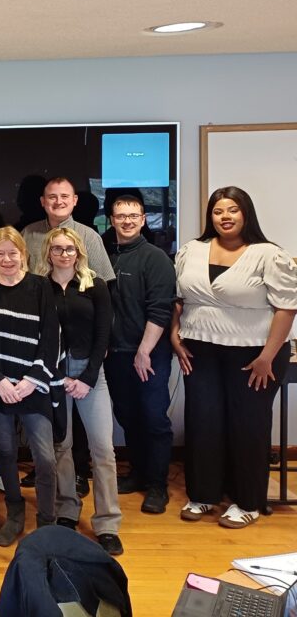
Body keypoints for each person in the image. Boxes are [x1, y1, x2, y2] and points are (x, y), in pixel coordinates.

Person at [171, 186, 297, 528]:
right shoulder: (191, 250)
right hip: (200, 348)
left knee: (248, 426)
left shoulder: (269, 254)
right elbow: (180, 299)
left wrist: (268, 356)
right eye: (218, 211)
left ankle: (248, 501)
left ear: (246, 214)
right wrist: (174, 335)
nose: (225, 217)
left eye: (232, 210)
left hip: (254, 353)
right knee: (203, 422)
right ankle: (203, 495)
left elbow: (287, 308)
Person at [0, 227, 61, 546]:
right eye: (0, 253)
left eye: (13, 253)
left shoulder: (40, 287)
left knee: (46, 458)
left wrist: (30, 381)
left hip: (32, 387)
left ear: (24, 254)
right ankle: (15, 514)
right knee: (5, 453)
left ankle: (47, 520)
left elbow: (51, 339)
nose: (7, 259)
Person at [41, 228, 122, 555]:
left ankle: (107, 523)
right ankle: (67, 510)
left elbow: (104, 335)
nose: (64, 254)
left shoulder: (95, 285)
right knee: (63, 445)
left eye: (69, 249)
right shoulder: (39, 288)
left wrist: (87, 378)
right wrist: (56, 376)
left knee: (103, 449)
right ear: (48, 252)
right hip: (54, 376)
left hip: (90, 375)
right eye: (58, 249)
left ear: (79, 252)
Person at [105, 194, 176, 515]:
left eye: (134, 215)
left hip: (150, 354)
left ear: (144, 219)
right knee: (128, 417)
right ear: (112, 219)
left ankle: (159, 486)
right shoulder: (106, 257)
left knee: (153, 417)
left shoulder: (156, 258)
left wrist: (144, 351)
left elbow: (161, 309)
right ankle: (139, 473)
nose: (128, 221)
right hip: (116, 353)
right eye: (121, 216)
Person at [22, 178, 115, 282]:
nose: (58, 201)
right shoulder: (28, 234)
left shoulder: (89, 236)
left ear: (74, 200)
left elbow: (103, 282)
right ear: (43, 201)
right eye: (52, 197)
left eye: (64, 196)